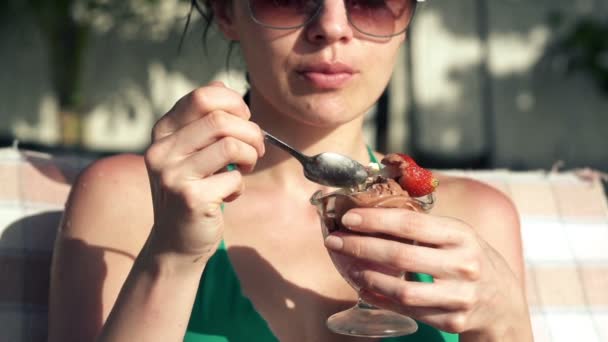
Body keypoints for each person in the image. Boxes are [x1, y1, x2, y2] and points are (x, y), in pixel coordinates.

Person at [48, 0, 534, 341]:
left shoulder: (478, 217)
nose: (333, 26)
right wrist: (173, 256)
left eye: (371, 2)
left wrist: (504, 323)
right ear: (225, 10)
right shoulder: (135, 197)